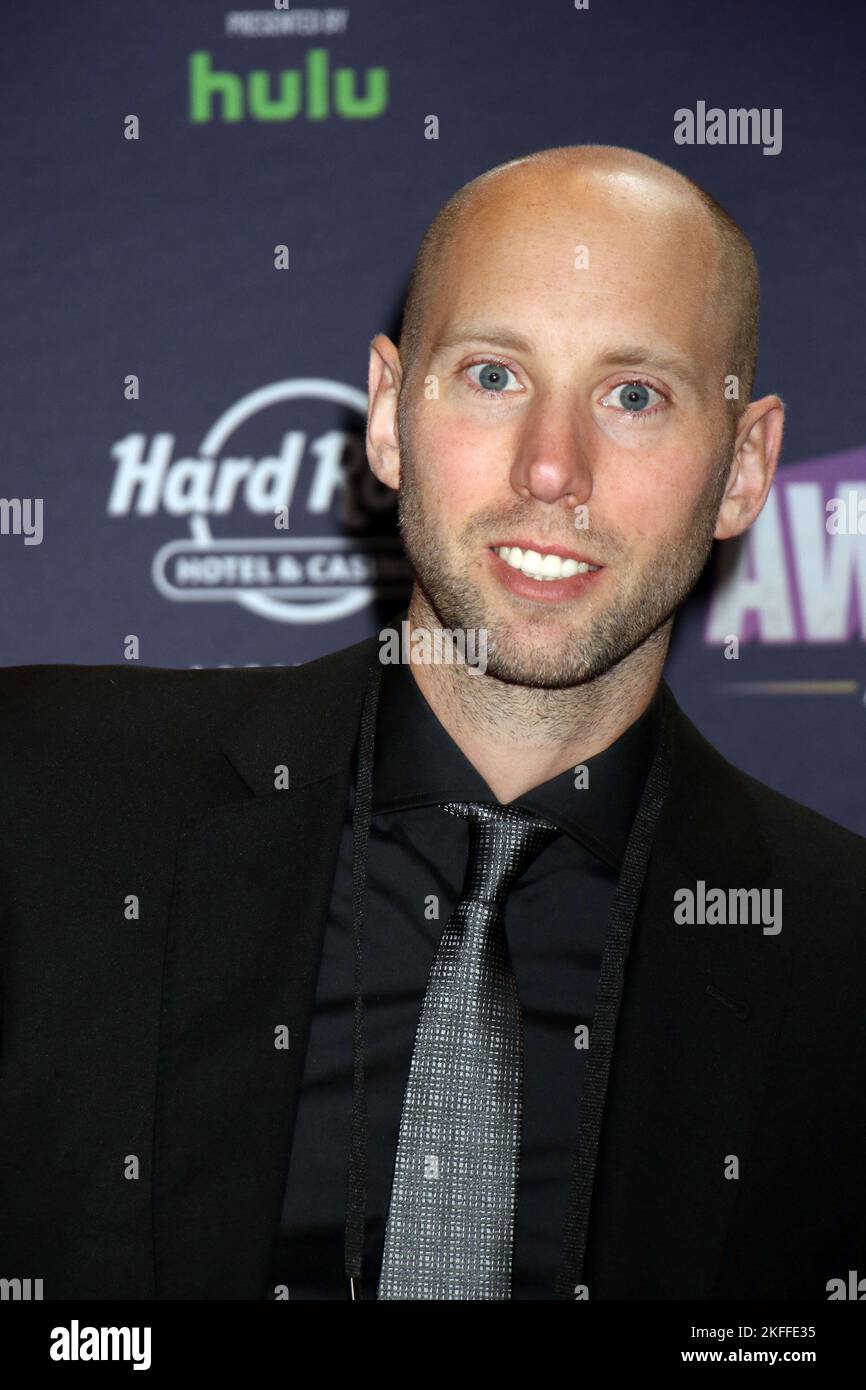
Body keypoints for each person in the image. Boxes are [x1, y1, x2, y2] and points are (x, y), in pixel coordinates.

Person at [1, 145, 863, 1301]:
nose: (552, 468)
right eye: (494, 375)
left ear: (744, 468)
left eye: (633, 396)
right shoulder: (40, 799)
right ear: (389, 412)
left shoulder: (836, 961)